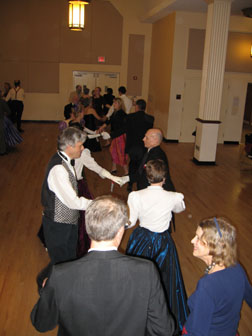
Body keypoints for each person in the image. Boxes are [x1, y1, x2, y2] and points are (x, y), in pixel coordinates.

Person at [31, 195, 175, 336]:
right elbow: (164, 330)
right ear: (120, 231)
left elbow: (41, 324)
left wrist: (46, 292)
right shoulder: (146, 271)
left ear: (88, 228)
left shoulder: (60, 275)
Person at [126, 159, 189, 334]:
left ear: (147, 176)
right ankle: (163, 313)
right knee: (165, 278)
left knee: (138, 277)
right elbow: (180, 209)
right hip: (163, 243)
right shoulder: (173, 197)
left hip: (142, 240)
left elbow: (130, 222)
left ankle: (136, 312)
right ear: (164, 178)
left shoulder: (136, 196)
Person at [183, 217, 252, 336]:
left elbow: (197, 332)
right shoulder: (236, 267)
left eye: (199, 238)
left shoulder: (207, 286)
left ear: (214, 246)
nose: (192, 241)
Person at [125, 99, 154, 191]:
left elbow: (126, 131)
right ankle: (139, 185)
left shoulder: (129, 117)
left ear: (136, 107)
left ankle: (130, 184)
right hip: (144, 146)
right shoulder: (150, 118)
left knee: (132, 165)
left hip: (132, 146)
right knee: (141, 166)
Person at [98, 97, 128, 175]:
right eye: (113, 103)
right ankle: (114, 168)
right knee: (113, 151)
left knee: (121, 153)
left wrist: (111, 134)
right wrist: (101, 127)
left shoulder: (122, 114)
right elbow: (109, 121)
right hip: (115, 135)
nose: (113, 104)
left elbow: (124, 128)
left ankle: (126, 171)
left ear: (119, 104)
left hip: (120, 136)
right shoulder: (115, 112)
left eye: (115, 103)